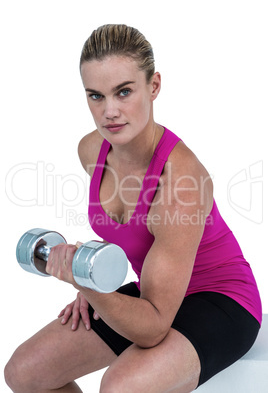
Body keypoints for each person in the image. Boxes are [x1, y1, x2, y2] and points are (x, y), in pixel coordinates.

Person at [5, 24, 262, 393]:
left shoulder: (181, 183)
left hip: (221, 301)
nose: (110, 111)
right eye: (96, 96)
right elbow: (131, 236)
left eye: (124, 92)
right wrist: (88, 276)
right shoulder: (92, 151)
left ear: (153, 86)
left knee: (120, 388)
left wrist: (89, 286)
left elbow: (155, 325)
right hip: (153, 292)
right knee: (25, 372)